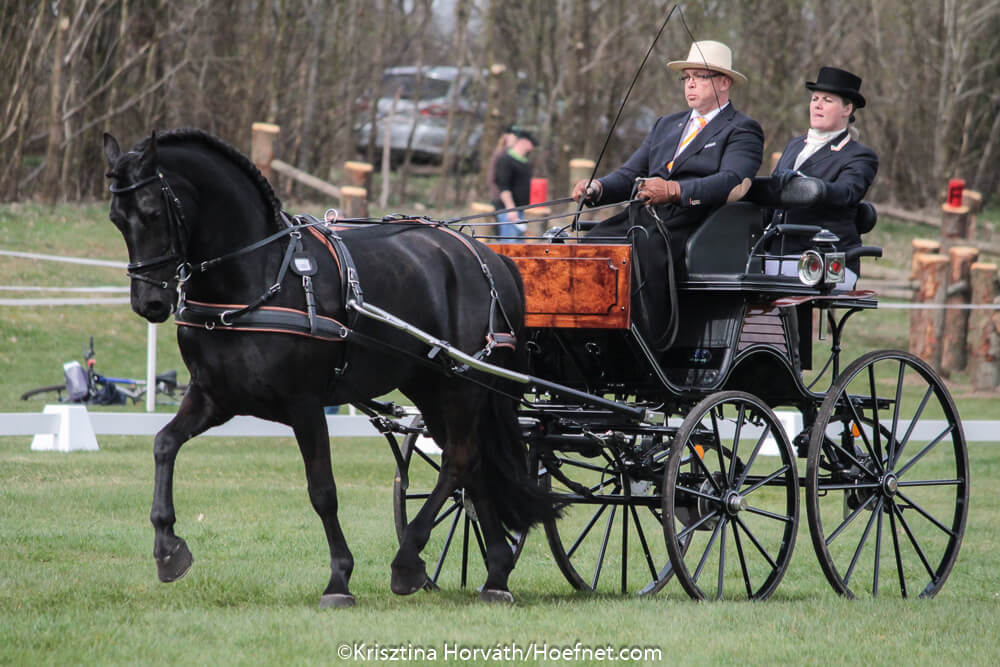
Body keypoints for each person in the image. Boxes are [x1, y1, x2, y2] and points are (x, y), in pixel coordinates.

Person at [570, 40, 763, 345]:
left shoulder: (741, 129)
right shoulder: (666, 125)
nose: (691, 85)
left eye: (700, 77)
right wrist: (598, 188)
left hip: (696, 220)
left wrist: (675, 190)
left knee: (638, 246)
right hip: (646, 215)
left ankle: (646, 338)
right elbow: (630, 173)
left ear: (724, 82)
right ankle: (588, 335)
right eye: (687, 77)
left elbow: (731, 180)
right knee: (592, 242)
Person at [765, 66, 878, 289]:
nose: (817, 104)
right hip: (777, 252)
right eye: (815, 98)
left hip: (827, 258)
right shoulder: (794, 145)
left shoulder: (859, 156)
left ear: (847, 108)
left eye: (827, 100)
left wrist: (804, 184)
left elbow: (847, 193)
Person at [492, 128, 537, 239]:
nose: (533, 147)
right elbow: (504, 187)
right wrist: (510, 209)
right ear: (523, 142)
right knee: (509, 245)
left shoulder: (524, 161)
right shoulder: (506, 160)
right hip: (509, 212)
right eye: (532, 143)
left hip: (521, 211)